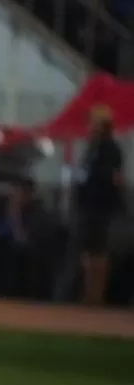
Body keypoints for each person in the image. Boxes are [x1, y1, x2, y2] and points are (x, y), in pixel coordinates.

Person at [76, 106, 125, 306]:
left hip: (102, 205)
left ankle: (97, 294)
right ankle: (90, 293)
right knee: (89, 251)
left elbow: (115, 178)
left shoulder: (111, 149)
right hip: (89, 204)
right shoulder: (91, 148)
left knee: (99, 250)